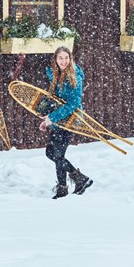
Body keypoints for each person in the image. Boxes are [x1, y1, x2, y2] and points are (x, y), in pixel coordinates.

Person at [39, 46, 93, 199]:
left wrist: (52, 118)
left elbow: (73, 104)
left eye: (66, 58)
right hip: (59, 119)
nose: (63, 61)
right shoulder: (55, 75)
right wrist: (47, 118)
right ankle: (79, 179)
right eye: (60, 58)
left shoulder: (74, 76)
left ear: (70, 59)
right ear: (55, 60)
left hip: (70, 120)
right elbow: (55, 101)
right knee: (52, 153)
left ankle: (63, 188)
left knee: (57, 154)